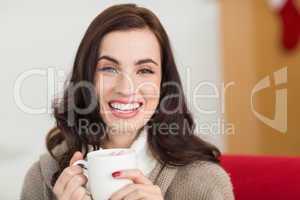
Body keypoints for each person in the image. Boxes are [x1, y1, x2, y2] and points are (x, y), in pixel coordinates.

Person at [21, 4, 234, 200]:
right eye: (109, 68)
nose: (126, 88)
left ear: (163, 84)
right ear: (86, 79)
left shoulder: (206, 183)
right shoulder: (43, 177)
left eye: (144, 70)